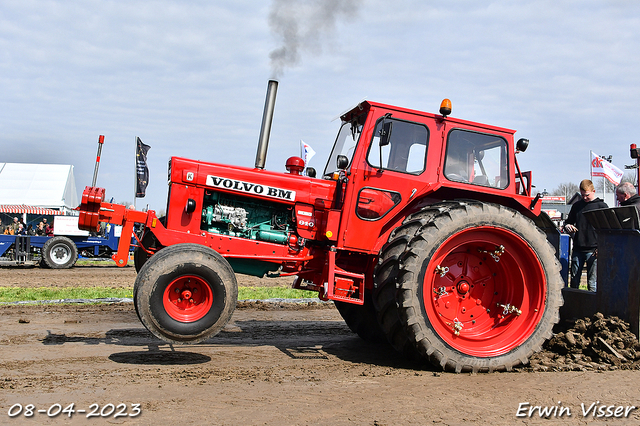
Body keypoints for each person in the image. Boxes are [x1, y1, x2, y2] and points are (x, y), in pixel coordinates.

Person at [564, 179, 608, 292]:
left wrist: (600, 247)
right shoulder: (577, 206)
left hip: (593, 249)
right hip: (578, 248)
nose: (584, 198)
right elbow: (568, 222)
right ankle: (574, 306)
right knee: (574, 281)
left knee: (592, 282)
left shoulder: (601, 206)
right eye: (582, 195)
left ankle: (593, 308)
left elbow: (607, 229)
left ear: (593, 191)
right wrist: (568, 226)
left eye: (587, 195)